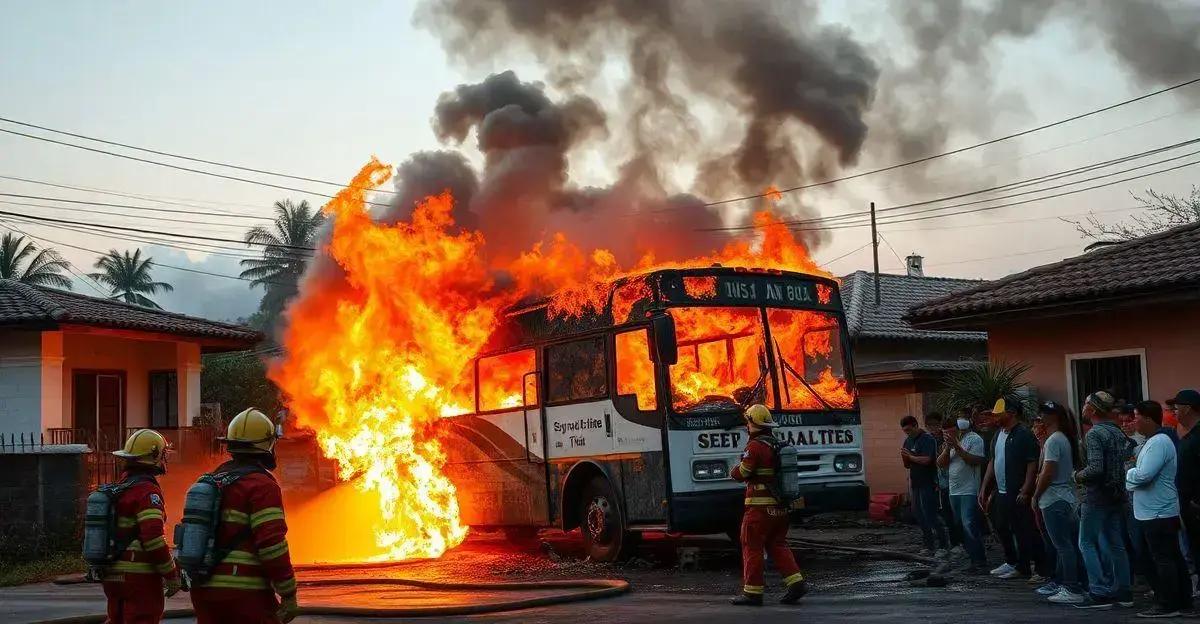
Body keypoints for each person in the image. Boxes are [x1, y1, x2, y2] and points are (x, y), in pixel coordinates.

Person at [190, 408, 299, 623]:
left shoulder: (212, 480)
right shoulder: (262, 485)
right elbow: (272, 545)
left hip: (203, 590)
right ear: (267, 444)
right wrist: (288, 592)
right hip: (245, 593)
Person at [729, 404, 807, 606]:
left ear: (753, 423)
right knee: (778, 544)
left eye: (748, 422)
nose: (747, 425)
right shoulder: (777, 444)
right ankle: (796, 583)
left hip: (759, 510)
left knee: (752, 547)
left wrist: (733, 470)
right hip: (780, 509)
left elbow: (743, 473)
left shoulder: (755, 446)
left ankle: (752, 593)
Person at [102, 429, 182, 624]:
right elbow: (153, 538)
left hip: (112, 575)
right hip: (139, 577)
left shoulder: (119, 487)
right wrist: (171, 575)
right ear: (155, 457)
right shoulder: (147, 491)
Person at [1126, 400, 1192, 618]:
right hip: (1155, 511)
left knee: (1161, 558)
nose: (1133, 421)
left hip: (1158, 512)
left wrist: (1128, 473)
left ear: (1147, 418)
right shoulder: (1153, 441)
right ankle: (1181, 601)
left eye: (1136, 416)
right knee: (1169, 556)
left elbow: (1144, 475)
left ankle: (1168, 603)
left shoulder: (1159, 442)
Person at [1074, 391, 1134, 609]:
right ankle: (1124, 591)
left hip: (1097, 496)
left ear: (1093, 410)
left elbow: (1096, 469)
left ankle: (1098, 590)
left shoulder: (1094, 434)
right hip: (1117, 495)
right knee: (1116, 544)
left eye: (1086, 404)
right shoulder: (1118, 432)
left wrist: (1077, 475)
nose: (1083, 407)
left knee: (1086, 542)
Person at [978, 398, 1043, 580]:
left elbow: (1032, 463)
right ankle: (1012, 561)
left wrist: (1026, 489)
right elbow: (993, 460)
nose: (995, 417)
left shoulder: (1024, 434)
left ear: (1012, 413)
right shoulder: (998, 434)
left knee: (1024, 529)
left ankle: (1031, 566)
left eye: (999, 413)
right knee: (1001, 525)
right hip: (1001, 490)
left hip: (1017, 490)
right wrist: (984, 486)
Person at [1032, 401, 1086, 604]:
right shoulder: (1062, 438)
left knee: (1062, 545)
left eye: (1044, 413)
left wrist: (1036, 495)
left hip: (1054, 499)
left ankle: (1071, 586)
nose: (1040, 417)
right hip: (1066, 497)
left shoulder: (1054, 440)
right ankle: (1069, 582)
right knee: (1069, 544)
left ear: (1053, 417)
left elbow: (1047, 472)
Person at [937, 410, 988, 572]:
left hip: (969, 489)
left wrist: (957, 447)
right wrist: (947, 448)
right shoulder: (948, 444)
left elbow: (975, 460)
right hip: (954, 490)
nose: (947, 435)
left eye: (950, 431)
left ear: (957, 428)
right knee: (959, 525)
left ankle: (979, 560)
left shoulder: (974, 439)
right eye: (945, 432)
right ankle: (971, 556)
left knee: (969, 524)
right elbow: (941, 463)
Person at [901, 414, 950, 557]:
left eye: (909, 430)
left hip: (928, 482)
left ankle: (943, 545)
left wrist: (910, 457)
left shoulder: (927, 439)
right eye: (905, 431)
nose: (908, 433)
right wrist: (907, 458)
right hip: (915, 482)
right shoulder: (908, 441)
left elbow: (927, 460)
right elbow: (907, 464)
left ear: (916, 426)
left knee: (930, 514)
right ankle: (929, 545)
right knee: (919, 514)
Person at [1169, 390, 1200, 600]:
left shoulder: (1195, 438)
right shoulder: (1189, 437)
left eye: (1176, 407)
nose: (1174, 412)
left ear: (1187, 408)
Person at [927, 412, 962, 552]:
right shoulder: (931, 440)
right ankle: (952, 543)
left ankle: (959, 543)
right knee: (946, 515)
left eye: (936, 426)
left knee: (956, 516)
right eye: (931, 426)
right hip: (941, 482)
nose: (934, 429)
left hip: (953, 482)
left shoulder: (950, 440)